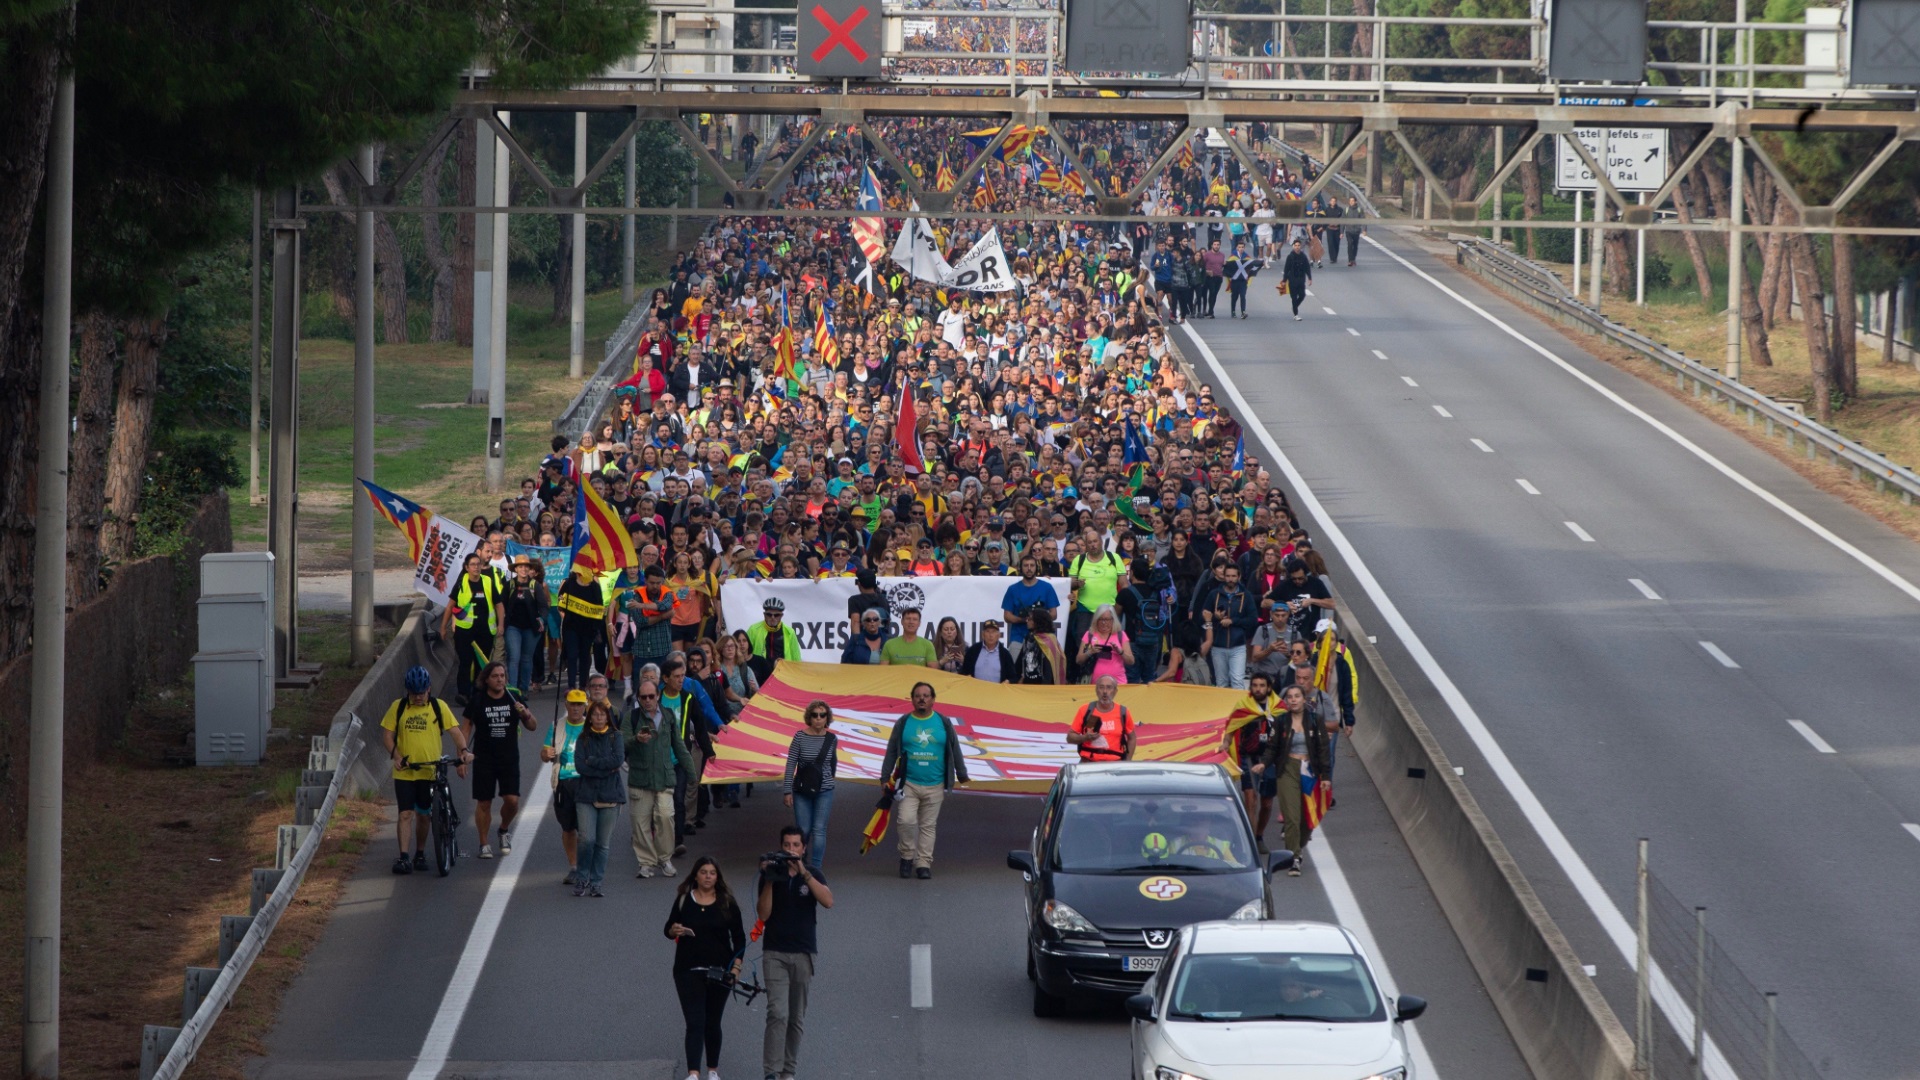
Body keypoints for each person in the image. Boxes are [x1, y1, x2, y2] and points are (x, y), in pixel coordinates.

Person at [759, 825, 834, 1080]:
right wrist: (770, 880)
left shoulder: (812, 873)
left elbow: (828, 901)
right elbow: (763, 914)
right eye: (786, 845)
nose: (791, 850)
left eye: (795, 845)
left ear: (803, 849)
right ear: (781, 847)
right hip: (775, 952)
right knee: (777, 1013)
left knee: (795, 1017)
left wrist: (804, 874)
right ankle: (771, 1071)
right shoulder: (772, 873)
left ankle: (788, 1071)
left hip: (803, 952)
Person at [381, 665, 472, 875]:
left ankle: (420, 853)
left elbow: (455, 732)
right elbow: (387, 736)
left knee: (423, 815)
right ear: (407, 691)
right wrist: (397, 757)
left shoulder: (439, 707)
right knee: (405, 814)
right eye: (414, 693)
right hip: (405, 772)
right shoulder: (398, 707)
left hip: (429, 770)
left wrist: (464, 751)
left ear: (429, 689)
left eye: (422, 693)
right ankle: (404, 857)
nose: (418, 697)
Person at [665, 857, 746, 1080]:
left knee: (712, 1021)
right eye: (703, 872)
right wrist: (674, 930)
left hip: (719, 971)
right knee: (695, 1022)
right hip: (687, 970)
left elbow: (739, 939)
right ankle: (693, 1073)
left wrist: (736, 968)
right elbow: (668, 928)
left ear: (717, 877)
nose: (708, 876)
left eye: (712, 872)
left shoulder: (727, 902)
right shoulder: (684, 900)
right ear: (696, 875)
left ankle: (712, 1070)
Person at [879, 681, 970, 879]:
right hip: (908, 783)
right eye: (918, 696)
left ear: (933, 699)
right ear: (912, 700)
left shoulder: (943, 722)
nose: (922, 699)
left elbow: (955, 748)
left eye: (926, 696)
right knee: (906, 820)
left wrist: (961, 773)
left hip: (935, 783)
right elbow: (891, 750)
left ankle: (923, 863)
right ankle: (906, 857)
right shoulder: (903, 722)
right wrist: (884, 777)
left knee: (928, 826)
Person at [1253, 683, 1335, 875]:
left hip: (1310, 771)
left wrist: (1325, 776)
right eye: (1290, 697)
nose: (1293, 700)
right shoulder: (1281, 721)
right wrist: (1264, 763)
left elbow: (1323, 749)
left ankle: (1298, 845)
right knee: (1291, 816)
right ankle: (1294, 857)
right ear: (1286, 701)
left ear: (1304, 699)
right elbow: (1272, 747)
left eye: (1297, 696)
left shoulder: (1315, 720)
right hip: (1287, 769)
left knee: (1307, 820)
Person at [459, 661, 535, 860]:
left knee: (512, 801)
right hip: (483, 758)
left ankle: (503, 829)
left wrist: (525, 714)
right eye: (495, 676)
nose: (500, 679)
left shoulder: (513, 697)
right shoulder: (477, 700)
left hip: (509, 759)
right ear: (486, 679)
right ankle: (484, 843)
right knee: (484, 802)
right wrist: (463, 753)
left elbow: (532, 726)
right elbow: (465, 727)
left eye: (502, 676)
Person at [627, 679, 688, 878]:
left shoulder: (668, 716)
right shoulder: (631, 717)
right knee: (640, 822)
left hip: (664, 776)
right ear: (638, 698)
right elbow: (621, 742)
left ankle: (664, 858)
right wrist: (636, 739)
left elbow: (679, 745)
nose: (647, 700)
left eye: (651, 696)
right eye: (643, 697)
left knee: (665, 816)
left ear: (658, 696)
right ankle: (646, 862)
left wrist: (692, 774)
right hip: (640, 778)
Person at [570, 699, 626, 897]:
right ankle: (582, 877)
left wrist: (593, 762)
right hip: (586, 795)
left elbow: (618, 760)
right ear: (590, 717)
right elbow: (580, 766)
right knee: (586, 839)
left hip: (611, 795)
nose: (599, 718)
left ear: (608, 717)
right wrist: (606, 769)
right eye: (595, 714)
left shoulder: (616, 736)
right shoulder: (583, 738)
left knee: (602, 843)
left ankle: (596, 882)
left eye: (602, 714)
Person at [783, 700, 839, 872]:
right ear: (809, 717)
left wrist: (829, 779)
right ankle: (800, 862)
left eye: (822, 715)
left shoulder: (832, 739)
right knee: (804, 830)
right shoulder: (799, 737)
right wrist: (787, 791)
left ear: (827, 718)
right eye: (815, 715)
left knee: (819, 830)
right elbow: (791, 763)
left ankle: (816, 869)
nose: (818, 718)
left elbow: (833, 762)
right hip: (802, 790)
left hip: (825, 790)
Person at [441, 551, 501, 703]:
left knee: (482, 663)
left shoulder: (487, 581)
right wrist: (443, 627)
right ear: (467, 567)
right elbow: (450, 606)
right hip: (464, 631)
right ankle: (463, 693)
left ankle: (479, 692)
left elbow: (499, 605)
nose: (476, 567)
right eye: (473, 565)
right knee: (465, 661)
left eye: (478, 564)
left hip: (485, 631)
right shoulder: (461, 583)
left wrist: (501, 625)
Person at [542, 689, 588, 886]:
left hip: (585, 783)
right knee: (567, 828)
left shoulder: (592, 726)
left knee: (586, 830)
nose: (576, 708)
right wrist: (547, 754)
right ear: (566, 705)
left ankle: (587, 866)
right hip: (562, 783)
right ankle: (574, 867)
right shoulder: (556, 726)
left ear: (585, 706)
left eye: (579, 705)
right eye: (572, 704)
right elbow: (544, 754)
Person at [1237, 672, 1282, 849]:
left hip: (1270, 759)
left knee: (1267, 803)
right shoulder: (1243, 706)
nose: (1258, 689)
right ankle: (1251, 843)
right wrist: (1226, 743)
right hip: (1248, 756)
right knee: (1250, 798)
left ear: (1268, 688)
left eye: (1262, 685)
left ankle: (1259, 835)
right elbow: (1231, 725)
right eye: (1255, 685)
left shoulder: (1278, 707)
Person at [556, 563, 611, 692]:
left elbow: (599, 607)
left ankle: (582, 685)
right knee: (572, 655)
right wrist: (565, 613)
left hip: (588, 628)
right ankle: (571, 686)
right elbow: (560, 603)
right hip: (571, 626)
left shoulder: (594, 586)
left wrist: (596, 626)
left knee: (585, 655)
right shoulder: (569, 583)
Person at [1202, 563, 1258, 690]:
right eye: (1228, 576)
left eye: (1233, 576)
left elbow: (1253, 620)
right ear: (1224, 576)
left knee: (1237, 681)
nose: (1230, 579)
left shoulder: (1246, 595)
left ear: (1239, 576)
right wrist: (1215, 617)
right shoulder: (1214, 594)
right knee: (1221, 683)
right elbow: (1203, 615)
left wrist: (1233, 621)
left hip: (1238, 646)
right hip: (1218, 646)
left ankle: (1238, 704)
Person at [501, 555, 548, 695]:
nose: (523, 569)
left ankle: (524, 689)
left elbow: (544, 606)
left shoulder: (535, 586)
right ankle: (513, 690)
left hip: (531, 628)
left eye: (526, 566)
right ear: (515, 569)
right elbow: (501, 606)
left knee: (526, 659)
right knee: (514, 657)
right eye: (520, 566)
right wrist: (501, 624)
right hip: (512, 627)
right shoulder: (509, 585)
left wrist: (541, 619)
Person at [1067, 675, 1134, 762]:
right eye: (1101, 687)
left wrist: (1127, 762)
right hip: (1088, 762)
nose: (1105, 691)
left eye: (1109, 687)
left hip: (1114, 763)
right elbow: (1069, 738)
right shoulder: (1086, 710)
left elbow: (1132, 738)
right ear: (1096, 690)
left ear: (1115, 691)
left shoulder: (1123, 712)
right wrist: (1084, 738)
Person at [1000, 554, 1059, 645]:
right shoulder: (1012, 589)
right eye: (1025, 565)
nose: (1029, 568)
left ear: (1036, 568)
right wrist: (1024, 619)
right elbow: (1007, 616)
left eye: (1032, 565)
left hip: (1043, 638)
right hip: (1018, 638)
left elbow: (1054, 614)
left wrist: (1036, 619)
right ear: (1020, 568)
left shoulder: (1047, 587)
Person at [745, 597, 800, 686]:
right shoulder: (753, 630)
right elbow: (744, 654)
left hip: (783, 677)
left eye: (776, 615)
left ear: (781, 616)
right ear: (764, 615)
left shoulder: (790, 632)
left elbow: (796, 659)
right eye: (769, 614)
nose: (772, 617)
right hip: (759, 678)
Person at [1076, 604, 1134, 685]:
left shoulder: (1121, 635)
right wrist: (1090, 652)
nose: (1104, 623)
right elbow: (1079, 660)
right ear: (1096, 620)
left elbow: (1131, 661)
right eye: (1101, 619)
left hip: (1118, 683)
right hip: (1093, 685)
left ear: (1113, 620)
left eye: (1107, 620)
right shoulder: (1089, 635)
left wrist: (1120, 652)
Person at [1011, 604, 1067, 685]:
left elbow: (1050, 667)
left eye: (1030, 619)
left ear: (1038, 621)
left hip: (1043, 686)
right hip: (1027, 685)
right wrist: (1014, 680)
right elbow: (1020, 663)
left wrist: (1045, 687)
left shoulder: (1049, 640)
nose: (1027, 621)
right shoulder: (1029, 638)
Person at [960, 618, 1015, 683]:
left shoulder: (1005, 654)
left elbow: (1013, 677)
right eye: (988, 631)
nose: (990, 635)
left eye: (994, 631)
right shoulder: (973, 650)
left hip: (996, 689)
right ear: (983, 634)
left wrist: (1008, 681)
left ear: (999, 635)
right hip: (975, 688)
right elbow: (964, 671)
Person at [1282, 238, 1312, 321]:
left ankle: (1294, 306)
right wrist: (1284, 280)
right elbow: (1286, 269)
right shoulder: (1290, 257)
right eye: (1295, 245)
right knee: (1294, 297)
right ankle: (1296, 314)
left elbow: (1307, 267)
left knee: (1302, 295)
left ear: (1300, 246)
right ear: (1293, 246)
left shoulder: (1303, 256)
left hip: (1301, 279)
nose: (1297, 247)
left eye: (1298, 245)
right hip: (1292, 280)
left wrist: (1309, 278)